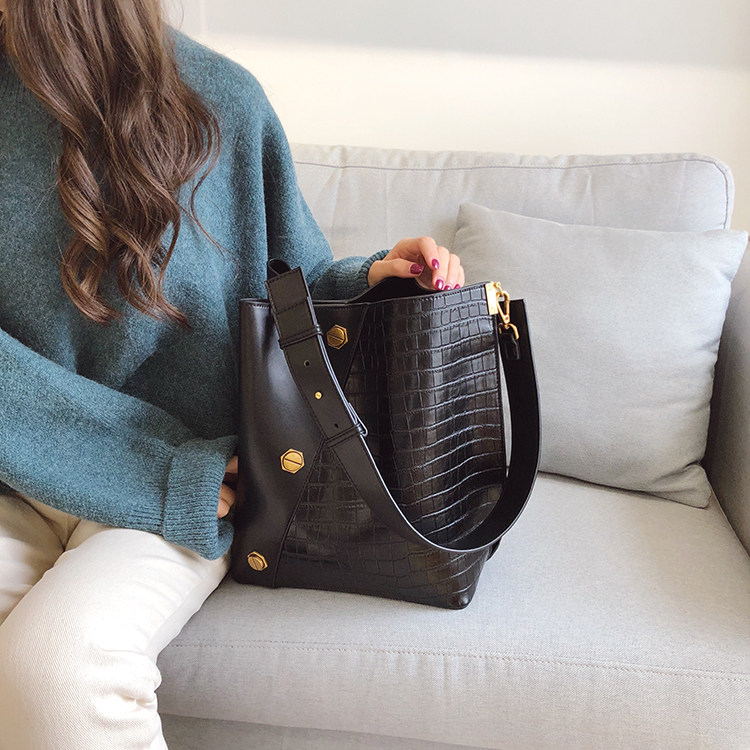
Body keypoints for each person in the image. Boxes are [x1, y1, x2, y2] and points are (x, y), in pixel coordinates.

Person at [0, 1, 465, 748]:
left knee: (59, 672)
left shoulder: (222, 99)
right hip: (22, 476)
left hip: (183, 486)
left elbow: (288, 285)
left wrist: (375, 280)